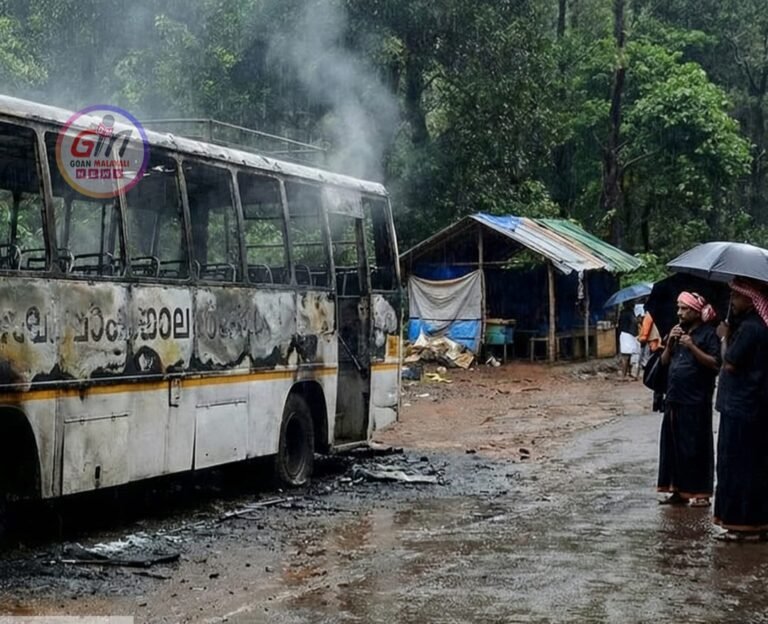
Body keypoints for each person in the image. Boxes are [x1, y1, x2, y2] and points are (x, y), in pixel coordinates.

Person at [713, 277, 768, 541]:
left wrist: (724, 339)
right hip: (751, 407)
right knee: (752, 466)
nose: (731, 302)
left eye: (736, 297)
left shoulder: (751, 328)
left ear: (750, 298)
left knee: (737, 467)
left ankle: (744, 525)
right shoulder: (753, 326)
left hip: (742, 408)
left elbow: (731, 363)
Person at [657, 292, 720, 506]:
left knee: (696, 446)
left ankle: (701, 493)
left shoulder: (708, 334)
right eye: (678, 308)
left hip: (696, 400)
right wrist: (670, 344)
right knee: (673, 445)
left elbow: (714, 364)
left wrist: (692, 346)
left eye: (684, 309)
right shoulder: (676, 332)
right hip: (674, 398)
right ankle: (678, 490)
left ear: (695, 311)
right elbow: (665, 362)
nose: (679, 313)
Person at [618, 302, 640, 379]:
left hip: (624, 334)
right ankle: (624, 375)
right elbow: (633, 322)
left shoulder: (622, 313)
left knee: (627, 356)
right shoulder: (630, 313)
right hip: (629, 335)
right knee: (626, 356)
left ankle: (626, 374)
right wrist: (638, 320)